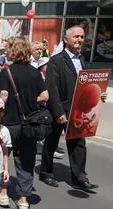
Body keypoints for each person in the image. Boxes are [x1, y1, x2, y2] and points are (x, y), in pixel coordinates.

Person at [40, 25, 107, 191]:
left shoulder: (83, 59)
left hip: (78, 111)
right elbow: (52, 88)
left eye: (82, 37)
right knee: (51, 142)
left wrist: (99, 95)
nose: (79, 40)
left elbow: (88, 85)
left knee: (78, 144)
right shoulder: (56, 60)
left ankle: (79, 178)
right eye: (76, 37)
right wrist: (58, 113)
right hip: (60, 110)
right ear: (66, 39)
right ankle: (46, 172)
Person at [0, 37, 49, 209]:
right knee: (26, 161)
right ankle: (23, 200)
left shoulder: (7, 72)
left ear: (13, 50)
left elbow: (3, 95)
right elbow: (45, 95)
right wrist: (30, 101)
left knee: (3, 158)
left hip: (9, 123)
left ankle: (3, 193)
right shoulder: (35, 73)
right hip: (29, 124)